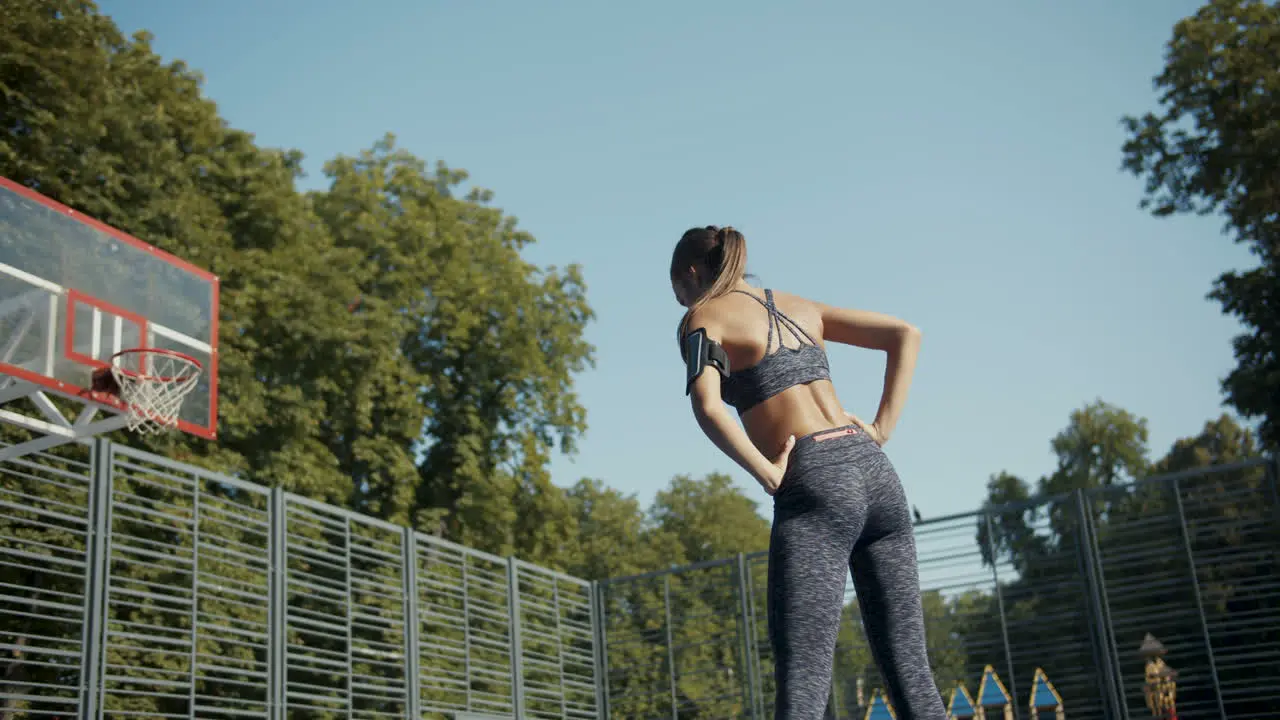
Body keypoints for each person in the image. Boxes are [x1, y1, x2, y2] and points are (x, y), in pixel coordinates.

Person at [672, 225, 945, 719]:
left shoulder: (701, 317)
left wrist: (766, 473)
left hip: (813, 479)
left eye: (677, 291)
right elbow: (906, 334)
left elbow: (707, 406)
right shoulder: (799, 305)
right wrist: (881, 427)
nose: (680, 303)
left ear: (691, 274)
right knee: (911, 671)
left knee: (804, 679)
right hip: (876, 473)